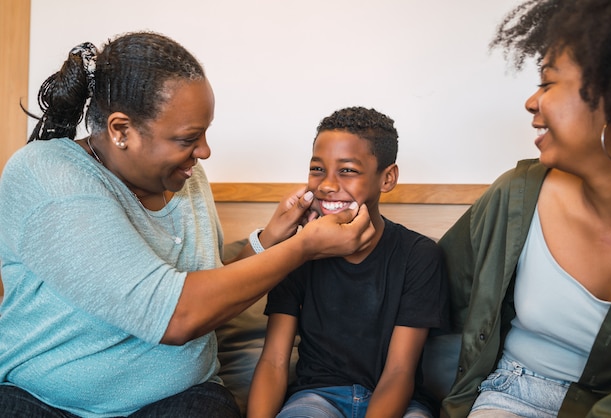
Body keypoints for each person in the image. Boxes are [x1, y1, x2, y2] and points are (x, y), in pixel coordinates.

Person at [0, 32, 376, 418]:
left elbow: (207, 288)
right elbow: (176, 315)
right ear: (120, 130)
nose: (205, 151)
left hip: (181, 401)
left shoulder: (186, 178)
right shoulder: (50, 177)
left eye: (205, 133)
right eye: (188, 138)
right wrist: (304, 248)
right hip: (45, 403)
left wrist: (270, 240)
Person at [438, 0, 611, 417]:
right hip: (509, 396)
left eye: (547, 83)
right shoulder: (514, 197)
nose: (530, 102)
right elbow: (427, 288)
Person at [247, 106, 450, 418]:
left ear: (388, 178)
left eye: (348, 170)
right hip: (315, 399)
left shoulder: (419, 255)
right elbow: (274, 360)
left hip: (399, 403)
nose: (327, 185)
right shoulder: (296, 252)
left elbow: (399, 372)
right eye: (317, 169)